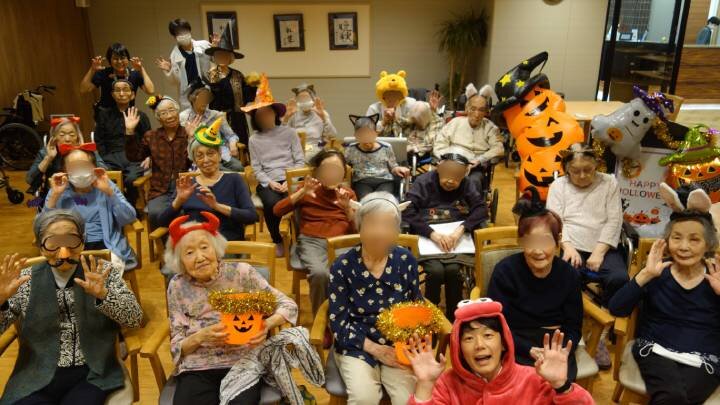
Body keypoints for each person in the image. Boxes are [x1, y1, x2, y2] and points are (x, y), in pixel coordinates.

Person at [0, 209, 142, 405]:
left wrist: (104, 295)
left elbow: (134, 319)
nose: (63, 251)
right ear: (41, 246)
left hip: (93, 371)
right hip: (35, 374)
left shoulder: (101, 272)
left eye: (71, 240)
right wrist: (1, 300)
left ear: (82, 241)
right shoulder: (24, 280)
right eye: (53, 243)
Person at [165, 212, 298, 405]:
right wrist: (200, 336)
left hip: (243, 361)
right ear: (180, 261)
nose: (200, 257)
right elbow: (177, 344)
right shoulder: (177, 285)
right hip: (198, 366)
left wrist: (266, 324)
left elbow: (288, 305)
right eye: (189, 252)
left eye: (204, 247)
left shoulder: (241, 273)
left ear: (216, 248)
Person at [609, 183, 720, 405]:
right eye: (676, 237)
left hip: (704, 358)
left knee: (676, 397)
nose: (684, 246)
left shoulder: (716, 276)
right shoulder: (657, 271)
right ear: (668, 241)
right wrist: (645, 276)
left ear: (708, 243)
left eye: (694, 239)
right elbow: (616, 308)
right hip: (655, 351)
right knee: (674, 396)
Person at [404, 298, 594, 404]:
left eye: (488, 335)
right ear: (459, 348)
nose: (479, 345)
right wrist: (425, 385)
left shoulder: (532, 380)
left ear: (504, 343)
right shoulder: (447, 385)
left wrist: (562, 385)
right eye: (469, 338)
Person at [328, 192, 420, 405]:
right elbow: (339, 324)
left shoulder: (406, 261)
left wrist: (415, 332)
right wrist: (376, 349)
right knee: (364, 398)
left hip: (397, 344)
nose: (380, 233)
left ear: (397, 231)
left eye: (388, 225)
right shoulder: (342, 267)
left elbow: (416, 304)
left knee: (407, 400)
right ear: (359, 227)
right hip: (356, 344)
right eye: (372, 224)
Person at [487, 187, 583, 381]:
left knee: (558, 391)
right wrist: (528, 349)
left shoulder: (569, 275)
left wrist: (559, 350)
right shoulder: (505, 272)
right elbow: (497, 323)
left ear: (557, 242)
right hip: (515, 342)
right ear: (521, 242)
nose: (538, 251)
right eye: (531, 241)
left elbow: (574, 326)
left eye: (545, 241)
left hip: (556, 344)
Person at [546, 143, 625, 368]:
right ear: (566, 170)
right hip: (570, 242)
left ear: (597, 166)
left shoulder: (609, 182)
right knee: (566, 276)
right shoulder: (558, 186)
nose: (582, 176)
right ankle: (573, 329)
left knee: (619, 278)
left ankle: (600, 334)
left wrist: (599, 252)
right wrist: (568, 247)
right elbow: (555, 219)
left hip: (603, 244)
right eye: (576, 171)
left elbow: (614, 220)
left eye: (588, 170)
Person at [403, 153, 488, 321]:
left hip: (456, 236)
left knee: (453, 271)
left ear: (464, 174)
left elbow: (481, 209)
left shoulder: (467, 184)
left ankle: (454, 317)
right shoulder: (424, 182)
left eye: (457, 176)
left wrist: (460, 230)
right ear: (439, 168)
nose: (451, 180)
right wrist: (432, 234)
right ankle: (429, 317)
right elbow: (408, 210)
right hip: (427, 235)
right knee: (435, 271)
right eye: (447, 173)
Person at [273, 149, 356, 314]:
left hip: (341, 242)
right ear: (317, 171)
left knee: (353, 271)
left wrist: (348, 210)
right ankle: (321, 319)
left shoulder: (348, 194)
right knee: (320, 274)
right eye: (327, 168)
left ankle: (347, 315)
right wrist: (302, 192)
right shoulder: (307, 189)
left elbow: (355, 231)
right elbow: (277, 210)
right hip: (312, 241)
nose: (332, 173)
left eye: (337, 169)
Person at [157, 119, 257, 243]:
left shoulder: (234, 180)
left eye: (211, 153)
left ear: (220, 155)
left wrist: (217, 206)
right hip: (193, 243)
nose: (206, 160)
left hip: (225, 244)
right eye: (199, 156)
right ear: (194, 160)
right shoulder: (187, 184)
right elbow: (161, 221)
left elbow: (251, 216)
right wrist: (179, 200)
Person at [44, 145, 138, 271]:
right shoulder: (59, 189)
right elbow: (43, 227)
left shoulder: (105, 184)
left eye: (84, 165)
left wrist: (110, 192)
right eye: (73, 167)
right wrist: (55, 196)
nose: (79, 170)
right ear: (65, 170)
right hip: (70, 245)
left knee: (103, 276)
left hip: (106, 245)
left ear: (94, 167)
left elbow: (128, 218)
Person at [244, 75, 304, 256]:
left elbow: (300, 160)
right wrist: (269, 183)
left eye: (268, 112)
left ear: (275, 114)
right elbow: (256, 168)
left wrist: (291, 179)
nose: (265, 116)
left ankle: (301, 240)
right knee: (271, 203)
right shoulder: (254, 139)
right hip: (269, 181)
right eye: (260, 114)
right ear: (255, 118)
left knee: (302, 201)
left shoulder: (290, 133)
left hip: (291, 177)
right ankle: (278, 240)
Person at [126, 95, 198, 229]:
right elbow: (134, 156)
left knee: (186, 213)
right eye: (164, 113)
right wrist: (130, 131)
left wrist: (192, 139)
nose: (169, 115)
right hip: (160, 189)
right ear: (158, 118)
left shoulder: (188, 133)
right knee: (155, 214)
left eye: (172, 110)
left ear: (178, 112)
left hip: (185, 186)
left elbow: (196, 162)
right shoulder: (151, 136)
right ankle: (166, 247)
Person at [434, 83, 504, 191]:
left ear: (486, 112)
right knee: (432, 177)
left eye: (481, 110)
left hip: (474, 166)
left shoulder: (491, 128)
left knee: (473, 182)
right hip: (450, 161)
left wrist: (480, 160)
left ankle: (469, 206)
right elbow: (440, 143)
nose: (476, 114)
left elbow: (499, 148)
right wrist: (445, 159)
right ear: (467, 108)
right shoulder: (455, 123)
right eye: (473, 109)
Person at [93, 79, 152, 206]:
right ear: (113, 95)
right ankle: (114, 209)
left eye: (125, 89)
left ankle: (130, 207)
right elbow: (99, 140)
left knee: (131, 179)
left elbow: (148, 139)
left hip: (135, 158)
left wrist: (148, 156)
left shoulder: (140, 115)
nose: (121, 93)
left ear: (132, 94)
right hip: (111, 157)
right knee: (106, 178)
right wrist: (104, 158)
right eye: (117, 90)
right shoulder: (103, 115)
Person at [26, 116, 107, 202]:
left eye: (72, 135)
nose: (67, 139)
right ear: (54, 137)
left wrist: (85, 159)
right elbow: (30, 179)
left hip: (84, 194)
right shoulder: (45, 153)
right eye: (62, 135)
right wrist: (48, 158)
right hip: (56, 196)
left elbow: (105, 171)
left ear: (77, 137)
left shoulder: (87, 151)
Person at [206, 23, 259, 147]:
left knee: (241, 146)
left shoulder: (237, 75)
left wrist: (253, 85)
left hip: (237, 118)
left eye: (225, 55)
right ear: (214, 57)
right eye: (219, 55)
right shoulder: (211, 75)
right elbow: (210, 97)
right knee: (221, 148)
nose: (222, 58)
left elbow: (247, 97)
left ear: (230, 58)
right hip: (217, 118)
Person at [179, 81, 244, 171]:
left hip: (221, 153)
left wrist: (233, 144)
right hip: (201, 156)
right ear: (192, 99)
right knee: (226, 173)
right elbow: (182, 143)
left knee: (238, 167)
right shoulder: (184, 117)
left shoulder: (216, 115)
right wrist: (190, 136)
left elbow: (231, 135)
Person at [155, 18, 217, 110]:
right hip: (188, 95)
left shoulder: (204, 45)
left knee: (210, 118)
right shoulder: (174, 55)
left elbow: (217, 61)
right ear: (174, 36)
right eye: (179, 33)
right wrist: (169, 70)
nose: (183, 35)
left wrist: (215, 49)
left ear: (189, 31)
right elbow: (175, 82)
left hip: (206, 90)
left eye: (185, 31)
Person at [344, 114, 410, 200]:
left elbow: (393, 166)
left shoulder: (386, 147)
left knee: (382, 200)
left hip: (384, 181)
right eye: (362, 135)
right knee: (366, 201)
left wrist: (398, 169)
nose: (366, 138)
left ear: (375, 134)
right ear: (356, 136)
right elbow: (343, 164)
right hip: (362, 181)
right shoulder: (351, 149)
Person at [80, 42, 155, 111]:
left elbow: (150, 91)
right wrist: (92, 69)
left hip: (128, 115)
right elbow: (84, 89)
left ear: (128, 59)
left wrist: (141, 69)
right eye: (115, 59)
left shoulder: (134, 74)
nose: (119, 61)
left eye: (122, 58)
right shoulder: (103, 73)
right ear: (110, 60)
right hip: (106, 115)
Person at [282, 83, 338, 160]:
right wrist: (286, 118)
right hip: (295, 150)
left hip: (316, 151)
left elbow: (333, 135)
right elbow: (282, 137)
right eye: (301, 99)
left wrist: (323, 118)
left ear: (313, 99)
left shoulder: (321, 113)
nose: (304, 101)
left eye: (306, 98)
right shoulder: (293, 114)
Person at [366, 70, 416, 137]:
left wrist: (398, 119)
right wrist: (383, 122)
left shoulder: (410, 104)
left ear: (401, 96)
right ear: (382, 96)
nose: (392, 98)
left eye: (396, 94)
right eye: (388, 94)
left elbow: (417, 127)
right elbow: (366, 132)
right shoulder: (374, 109)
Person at [405, 101, 443, 166]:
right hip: (407, 150)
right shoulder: (412, 121)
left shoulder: (435, 123)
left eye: (418, 121)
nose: (416, 123)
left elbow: (430, 145)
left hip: (420, 154)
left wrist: (412, 148)